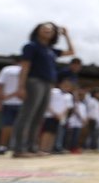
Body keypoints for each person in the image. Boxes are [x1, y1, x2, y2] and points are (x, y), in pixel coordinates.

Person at [12, 23, 75, 158]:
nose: (48, 30)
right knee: (27, 115)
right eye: (44, 28)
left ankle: (32, 148)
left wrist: (66, 35)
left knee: (39, 117)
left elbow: (71, 52)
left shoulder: (51, 50)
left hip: (49, 84)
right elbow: (25, 66)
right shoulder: (31, 46)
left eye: (51, 29)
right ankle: (19, 149)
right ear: (37, 31)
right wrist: (21, 86)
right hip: (35, 82)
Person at [0, 58, 23, 155]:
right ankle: (20, 147)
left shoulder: (6, 69)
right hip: (23, 103)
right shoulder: (29, 70)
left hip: (7, 102)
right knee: (23, 126)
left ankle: (2, 147)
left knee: (7, 125)